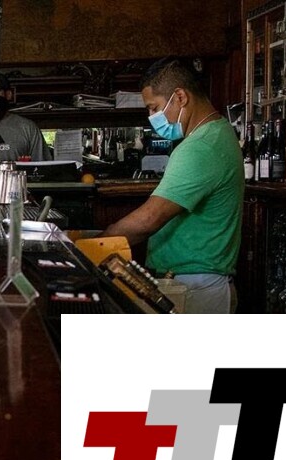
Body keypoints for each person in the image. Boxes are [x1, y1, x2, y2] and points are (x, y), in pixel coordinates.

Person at [102, 57, 242, 314]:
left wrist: (97, 244)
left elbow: (150, 218)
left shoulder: (200, 147)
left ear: (180, 97)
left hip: (196, 287)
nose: (151, 117)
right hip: (197, 281)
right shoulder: (217, 132)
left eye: (154, 108)